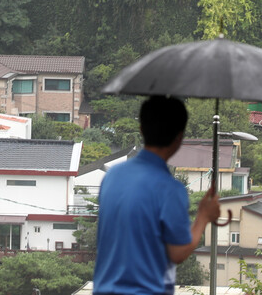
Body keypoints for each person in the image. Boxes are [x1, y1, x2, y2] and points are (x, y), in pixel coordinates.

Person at [93, 96, 221, 295]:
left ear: (141, 129)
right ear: (179, 137)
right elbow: (177, 253)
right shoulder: (170, 189)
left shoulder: (112, 176)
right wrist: (203, 217)